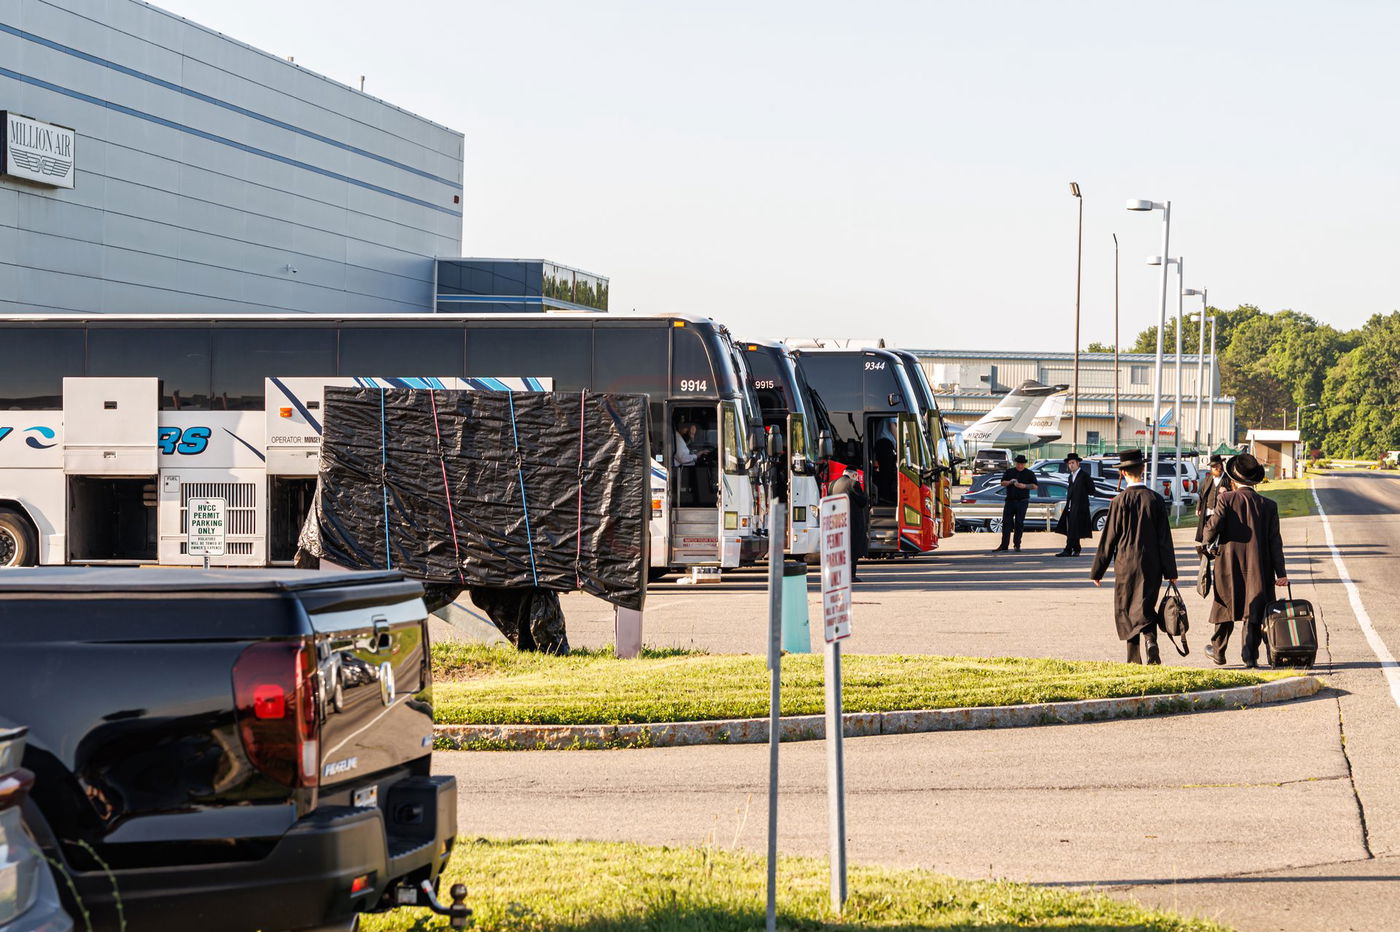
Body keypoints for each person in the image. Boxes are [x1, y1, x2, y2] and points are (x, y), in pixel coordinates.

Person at [1090, 449, 1179, 664]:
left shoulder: (1119, 501)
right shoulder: (1155, 499)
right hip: (1151, 563)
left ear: (1123, 473)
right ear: (1143, 469)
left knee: (1127, 606)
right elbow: (1165, 539)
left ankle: (1133, 658)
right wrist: (1170, 571)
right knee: (1146, 604)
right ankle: (1150, 640)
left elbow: (1108, 539)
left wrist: (1097, 571)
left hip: (1125, 562)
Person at [1202, 453, 1289, 668]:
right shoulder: (1269, 505)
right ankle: (1250, 656)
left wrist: (1205, 543)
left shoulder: (1226, 499)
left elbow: (1212, 528)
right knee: (1254, 610)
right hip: (1260, 566)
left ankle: (1218, 651)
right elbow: (1275, 541)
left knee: (1224, 606)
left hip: (1228, 563)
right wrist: (1281, 573)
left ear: (1233, 479)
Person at [829, 471, 869, 582]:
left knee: (840, 549)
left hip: (837, 521)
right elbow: (862, 501)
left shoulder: (832, 484)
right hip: (852, 522)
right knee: (852, 549)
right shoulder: (853, 483)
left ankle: (839, 575)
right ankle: (851, 575)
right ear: (854, 475)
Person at [993, 454, 1037, 552]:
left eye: (1022, 464)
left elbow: (1035, 486)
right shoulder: (1009, 472)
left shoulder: (1029, 473)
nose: (1020, 465)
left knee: (1019, 523)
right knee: (1006, 523)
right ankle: (1004, 545)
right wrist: (1010, 482)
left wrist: (1024, 486)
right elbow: (1002, 483)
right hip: (1010, 501)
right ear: (1015, 463)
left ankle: (1017, 545)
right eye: (1018, 463)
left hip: (1022, 501)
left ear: (1024, 464)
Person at [1054, 452, 1094, 557]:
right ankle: (1076, 549)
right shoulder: (1070, 476)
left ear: (1078, 463)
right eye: (1069, 463)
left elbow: (1091, 490)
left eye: (1073, 463)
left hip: (1080, 506)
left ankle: (1068, 550)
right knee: (1072, 528)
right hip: (1071, 506)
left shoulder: (1084, 476)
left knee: (1073, 528)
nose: (1071, 465)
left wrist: (1082, 494)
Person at [1194, 454, 1232, 543]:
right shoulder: (1208, 478)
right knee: (1207, 531)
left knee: (1219, 531)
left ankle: (1216, 545)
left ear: (1220, 466)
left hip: (1220, 511)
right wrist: (1198, 507)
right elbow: (1202, 494)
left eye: (1216, 466)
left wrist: (1227, 490)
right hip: (1208, 510)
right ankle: (1207, 546)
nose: (1214, 468)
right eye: (1212, 467)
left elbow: (1233, 492)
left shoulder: (1227, 479)